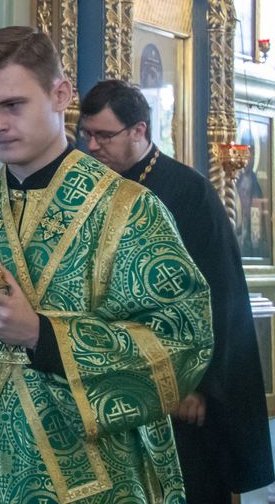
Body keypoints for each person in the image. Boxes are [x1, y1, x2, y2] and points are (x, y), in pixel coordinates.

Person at [0, 26, 213, 503]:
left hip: (98, 474)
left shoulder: (129, 209)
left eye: (12, 105)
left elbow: (182, 341)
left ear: (60, 95)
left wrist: (40, 335)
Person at [80, 79, 274, 502]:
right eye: (87, 134)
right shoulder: (92, 190)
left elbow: (220, 296)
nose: (92, 146)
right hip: (113, 381)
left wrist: (197, 384)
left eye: (104, 135)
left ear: (139, 130)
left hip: (180, 397)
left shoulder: (190, 193)